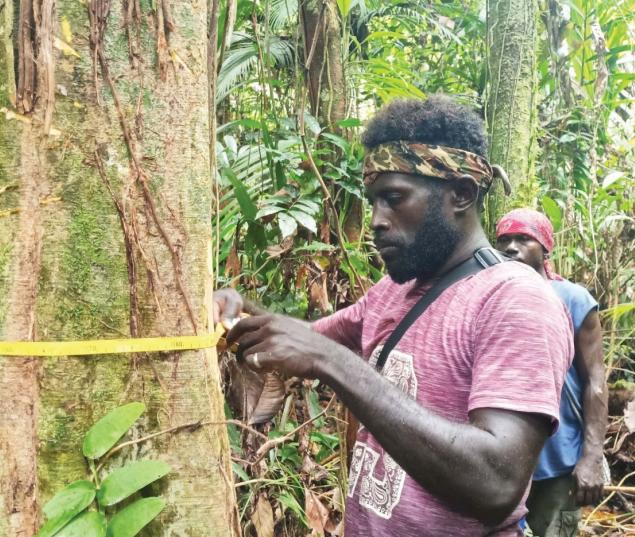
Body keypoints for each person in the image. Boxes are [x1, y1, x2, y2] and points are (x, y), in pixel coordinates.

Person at [215, 95, 573, 536]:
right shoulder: (396, 290)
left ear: (460, 193)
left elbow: (496, 483)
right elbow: (307, 340)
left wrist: (333, 362)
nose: (377, 221)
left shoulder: (515, 300)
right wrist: (240, 311)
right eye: (373, 203)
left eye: (394, 198)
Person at [495, 209, 609, 537]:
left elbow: (595, 382)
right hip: (499, 460)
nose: (512, 247)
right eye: (504, 240)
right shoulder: (489, 296)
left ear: (545, 248)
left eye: (523, 239)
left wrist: (591, 456)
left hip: (558, 462)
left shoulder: (573, 299)